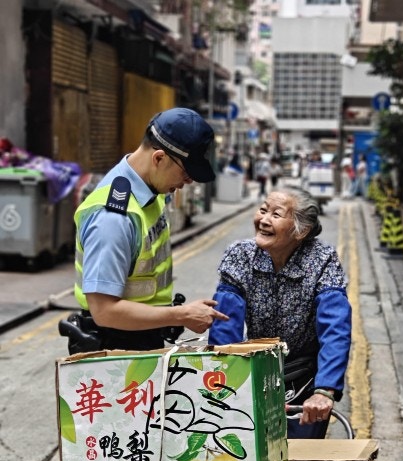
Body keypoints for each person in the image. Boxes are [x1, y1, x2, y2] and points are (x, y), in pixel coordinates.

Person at [66, 107, 228, 353]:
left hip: (140, 340)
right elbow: (105, 311)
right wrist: (181, 315)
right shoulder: (113, 218)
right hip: (115, 349)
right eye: (186, 172)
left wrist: (169, 315)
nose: (189, 181)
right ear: (159, 158)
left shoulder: (149, 188)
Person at [208, 188, 352, 439]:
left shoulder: (322, 259)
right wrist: (224, 381)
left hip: (304, 375)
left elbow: (335, 327)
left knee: (301, 455)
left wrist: (324, 391)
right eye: (263, 210)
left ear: (301, 230)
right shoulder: (240, 255)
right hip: (256, 369)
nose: (264, 220)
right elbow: (225, 325)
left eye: (276, 215)